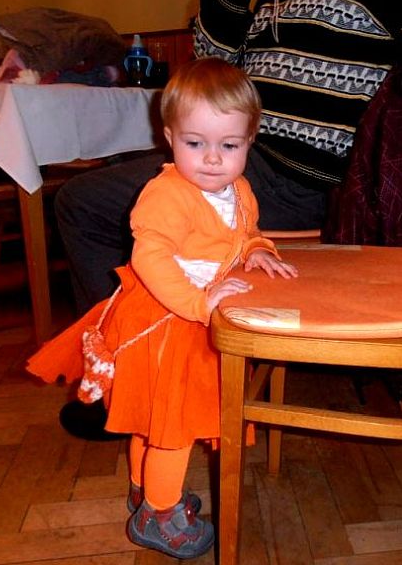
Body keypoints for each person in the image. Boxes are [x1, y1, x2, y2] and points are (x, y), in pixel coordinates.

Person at [54, 0, 402, 438]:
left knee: (84, 202)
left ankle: (123, 377)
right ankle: (141, 364)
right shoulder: (275, 1)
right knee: (108, 190)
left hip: (299, 180)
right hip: (239, 159)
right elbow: (208, 72)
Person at [28, 57, 297, 558]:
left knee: (153, 418)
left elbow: (245, 235)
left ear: (249, 142)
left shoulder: (239, 191)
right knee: (174, 426)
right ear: (170, 137)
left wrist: (258, 250)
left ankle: (145, 490)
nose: (212, 159)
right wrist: (198, 303)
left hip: (194, 317)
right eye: (195, 143)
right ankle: (159, 512)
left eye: (229, 146)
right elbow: (148, 258)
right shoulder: (166, 194)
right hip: (165, 321)